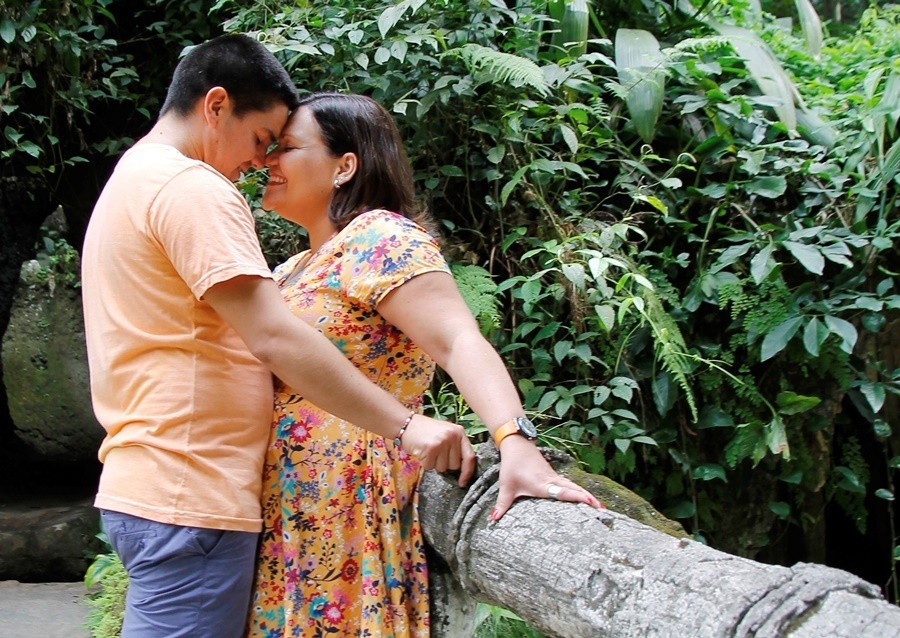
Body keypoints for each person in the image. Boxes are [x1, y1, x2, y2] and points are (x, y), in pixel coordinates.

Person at [81, 36, 475, 638]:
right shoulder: (190, 188)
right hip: (191, 491)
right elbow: (274, 336)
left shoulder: (132, 179)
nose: (260, 162)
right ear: (216, 107)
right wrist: (407, 425)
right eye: (264, 140)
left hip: (166, 484)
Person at [246, 92, 602, 637]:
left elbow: (459, 340)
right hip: (287, 506)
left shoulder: (379, 237)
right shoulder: (292, 267)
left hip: (348, 498)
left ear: (346, 165)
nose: (268, 161)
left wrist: (515, 440)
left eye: (287, 148)